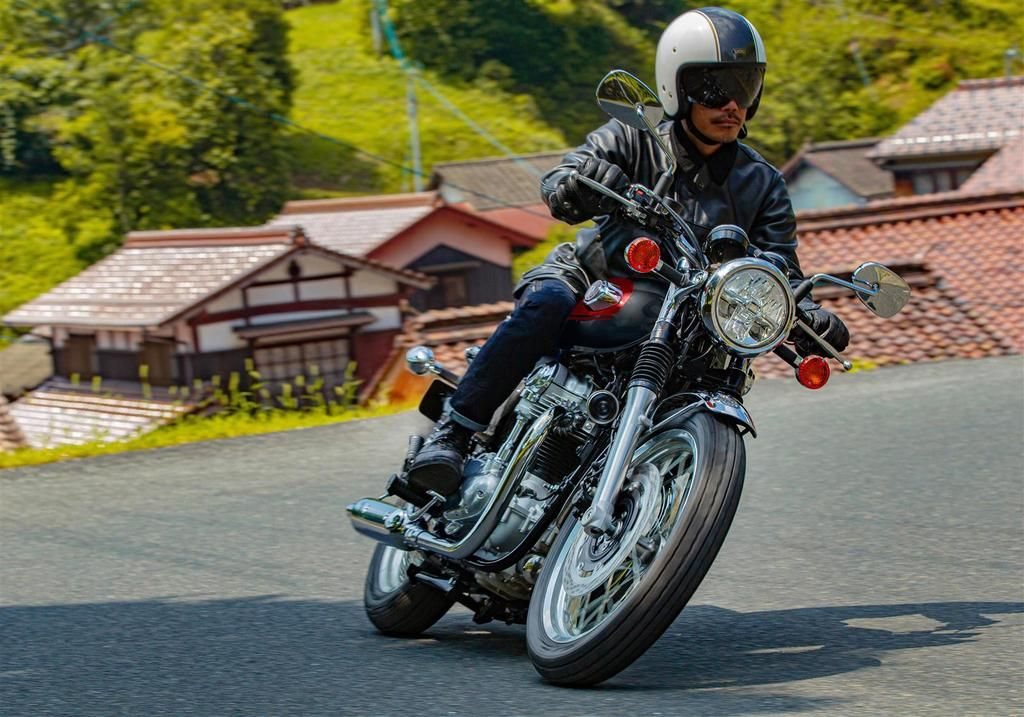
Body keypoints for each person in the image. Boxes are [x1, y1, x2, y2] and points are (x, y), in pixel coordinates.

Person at [406, 6, 849, 497]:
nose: (731, 105)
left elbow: (781, 264)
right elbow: (563, 177)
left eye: (744, 88)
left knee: (714, 368)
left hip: (689, 315)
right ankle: (453, 432)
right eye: (714, 88)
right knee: (547, 301)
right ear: (677, 88)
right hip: (596, 279)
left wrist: (805, 310)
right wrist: (581, 182)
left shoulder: (763, 183)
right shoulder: (635, 137)